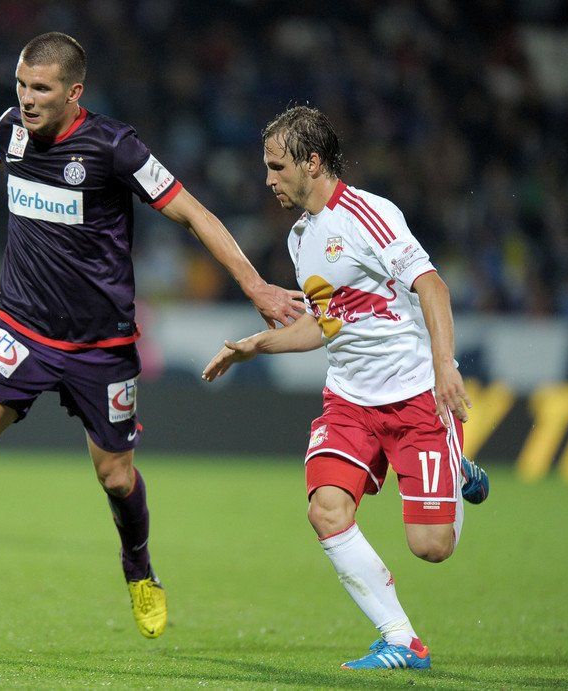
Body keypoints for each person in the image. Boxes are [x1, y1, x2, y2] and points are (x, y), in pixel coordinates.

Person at [0, 32, 304, 639]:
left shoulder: (115, 147)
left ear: (74, 92)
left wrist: (256, 286)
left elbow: (192, 212)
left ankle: (138, 568)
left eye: (40, 88)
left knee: (116, 476)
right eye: (20, 84)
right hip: (21, 329)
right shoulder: (14, 128)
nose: (26, 98)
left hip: (101, 347)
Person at [202, 105, 489, 669]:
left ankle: (453, 466)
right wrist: (254, 346)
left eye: (277, 166)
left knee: (431, 548)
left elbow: (432, 286)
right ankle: (402, 640)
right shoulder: (300, 238)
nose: (268, 179)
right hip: (349, 402)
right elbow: (324, 325)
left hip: (414, 396)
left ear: (312, 162)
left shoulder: (369, 215)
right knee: (326, 510)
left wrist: (444, 367)